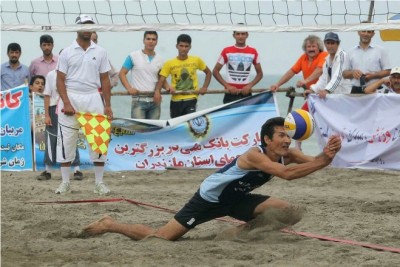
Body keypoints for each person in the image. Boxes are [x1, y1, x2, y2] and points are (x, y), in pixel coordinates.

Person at [83, 117, 342, 241]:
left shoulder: (288, 153)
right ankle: (110, 223)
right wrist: (322, 160)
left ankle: (235, 234)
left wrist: (328, 155)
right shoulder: (255, 155)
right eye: (281, 136)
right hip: (210, 199)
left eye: (288, 135)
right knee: (162, 238)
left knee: (289, 212)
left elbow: (316, 163)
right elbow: (287, 175)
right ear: (267, 140)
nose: (287, 140)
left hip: (238, 199)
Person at [55, 14, 113, 195]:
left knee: (98, 142)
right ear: (78, 28)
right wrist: (66, 102)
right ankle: (65, 183)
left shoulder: (101, 51)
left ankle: (99, 183)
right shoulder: (66, 52)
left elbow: (105, 79)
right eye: (84, 25)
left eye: (90, 25)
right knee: (66, 142)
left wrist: (108, 105)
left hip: (93, 98)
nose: (87, 28)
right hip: (71, 97)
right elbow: (60, 80)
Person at [270, 35, 328, 150]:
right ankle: (298, 147)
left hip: (325, 95)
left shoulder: (324, 55)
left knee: (326, 124)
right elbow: (291, 72)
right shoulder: (303, 58)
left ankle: (330, 148)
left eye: (313, 46)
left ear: (319, 48)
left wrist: (305, 81)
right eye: (308, 46)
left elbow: (319, 70)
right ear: (305, 48)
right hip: (311, 97)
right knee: (299, 120)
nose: (311, 49)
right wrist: (277, 84)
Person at [36, 64, 83, 181]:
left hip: (69, 109)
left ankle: (77, 169)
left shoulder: (74, 75)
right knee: (51, 138)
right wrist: (46, 115)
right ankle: (47, 170)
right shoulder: (52, 75)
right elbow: (47, 96)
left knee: (71, 138)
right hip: (54, 109)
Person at [154, 34, 212, 118]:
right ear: (177, 46)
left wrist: (204, 87)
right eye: (181, 46)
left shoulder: (196, 60)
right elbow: (162, 79)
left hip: (191, 98)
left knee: (189, 124)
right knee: (176, 125)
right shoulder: (169, 63)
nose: (183, 49)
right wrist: (157, 92)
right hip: (175, 100)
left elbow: (208, 72)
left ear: (190, 47)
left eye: (186, 46)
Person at [119, 31, 165, 119]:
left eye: (153, 39)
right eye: (148, 39)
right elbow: (122, 73)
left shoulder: (160, 59)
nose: (151, 41)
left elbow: (161, 79)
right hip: (139, 101)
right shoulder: (133, 56)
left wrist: (168, 87)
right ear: (143, 40)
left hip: (155, 102)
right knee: (139, 130)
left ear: (156, 42)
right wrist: (129, 88)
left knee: (153, 131)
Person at [212, 29, 263, 104]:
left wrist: (249, 86)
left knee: (246, 115)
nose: (240, 36)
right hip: (230, 93)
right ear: (234, 36)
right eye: (238, 34)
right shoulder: (226, 51)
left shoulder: (253, 51)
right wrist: (227, 86)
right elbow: (215, 71)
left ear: (247, 35)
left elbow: (260, 73)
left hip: (246, 92)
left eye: (243, 34)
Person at [342, 28, 391, 94]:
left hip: (375, 90)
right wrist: (352, 73)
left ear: (373, 34)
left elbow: (388, 71)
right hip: (356, 90)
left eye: (369, 32)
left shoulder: (381, 50)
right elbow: (344, 74)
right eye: (363, 31)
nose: (366, 34)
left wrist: (373, 76)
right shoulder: (350, 52)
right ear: (358, 32)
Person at [304, 32, 351, 98]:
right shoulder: (327, 59)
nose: (330, 46)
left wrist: (327, 91)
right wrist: (313, 90)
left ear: (338, 43)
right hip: (333, 97)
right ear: (324, 44)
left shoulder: (343, 56)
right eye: (328, 43)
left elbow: (338, 77)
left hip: (344, 97)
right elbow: (324, 79)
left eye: (332, 43)